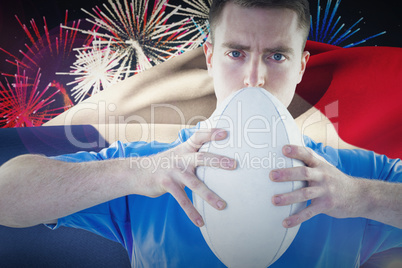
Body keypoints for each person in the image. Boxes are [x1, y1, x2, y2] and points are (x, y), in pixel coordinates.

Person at [0, 0, 401, 267]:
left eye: (277, 56)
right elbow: (7, 198)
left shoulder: (348, 174)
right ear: (209, 57)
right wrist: (136, 174)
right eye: (236, 53)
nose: (254, 79)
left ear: (301, 66)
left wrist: (360, 196)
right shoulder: (152, 169)